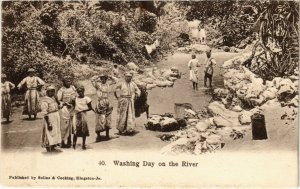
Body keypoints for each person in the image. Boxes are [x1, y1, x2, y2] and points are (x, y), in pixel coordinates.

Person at [91, 74, 114, 142]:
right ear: (100, 79)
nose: (103, 80)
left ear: (106, 79)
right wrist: (97, 76)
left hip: (107, 101)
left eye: (104, 79)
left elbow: (116, 80)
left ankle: (107, 134)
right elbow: (92, 80)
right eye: (102, 79)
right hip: (100, 102)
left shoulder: (107, 85)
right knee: (99, 118)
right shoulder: (98, 85)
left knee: (108, 118)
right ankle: (98, 135)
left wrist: (111, 76)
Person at [57, 76, 77, 148]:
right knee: (65, 125)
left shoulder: (73, 88)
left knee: (73, 124)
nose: (68, 82)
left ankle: (70, 140)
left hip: (72, 108)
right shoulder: (61, 90)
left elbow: (76, 96)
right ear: (64, 82)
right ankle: (62, 141)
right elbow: (58, 100)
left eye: (69, 81)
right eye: (67, 81)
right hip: (65, 108)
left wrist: (74, 101)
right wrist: (65, 103)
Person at [40, 85, 62, 152]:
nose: (52, 93)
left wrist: (57, 100)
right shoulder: (45, 100)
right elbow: (44, 112)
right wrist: (48, 122)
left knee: (55, 131)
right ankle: (48, 147)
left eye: (53, 91)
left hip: (56, 116)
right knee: (50, 131)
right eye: (50, 91)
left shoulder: (54, 98)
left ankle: (53, 146)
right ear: (47, 92)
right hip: (50, 117)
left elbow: (59, 106)